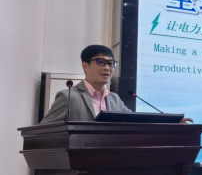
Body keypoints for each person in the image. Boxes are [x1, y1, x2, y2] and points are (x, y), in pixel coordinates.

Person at [41, 45, 193, 123]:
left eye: (110, 63)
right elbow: (44, 132)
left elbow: (136, 122)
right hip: (79, 167)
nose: (107, 68)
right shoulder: (69, 96)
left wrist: (171, 123)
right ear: (85, 66)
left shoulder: (114, 99)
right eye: (100, 62)